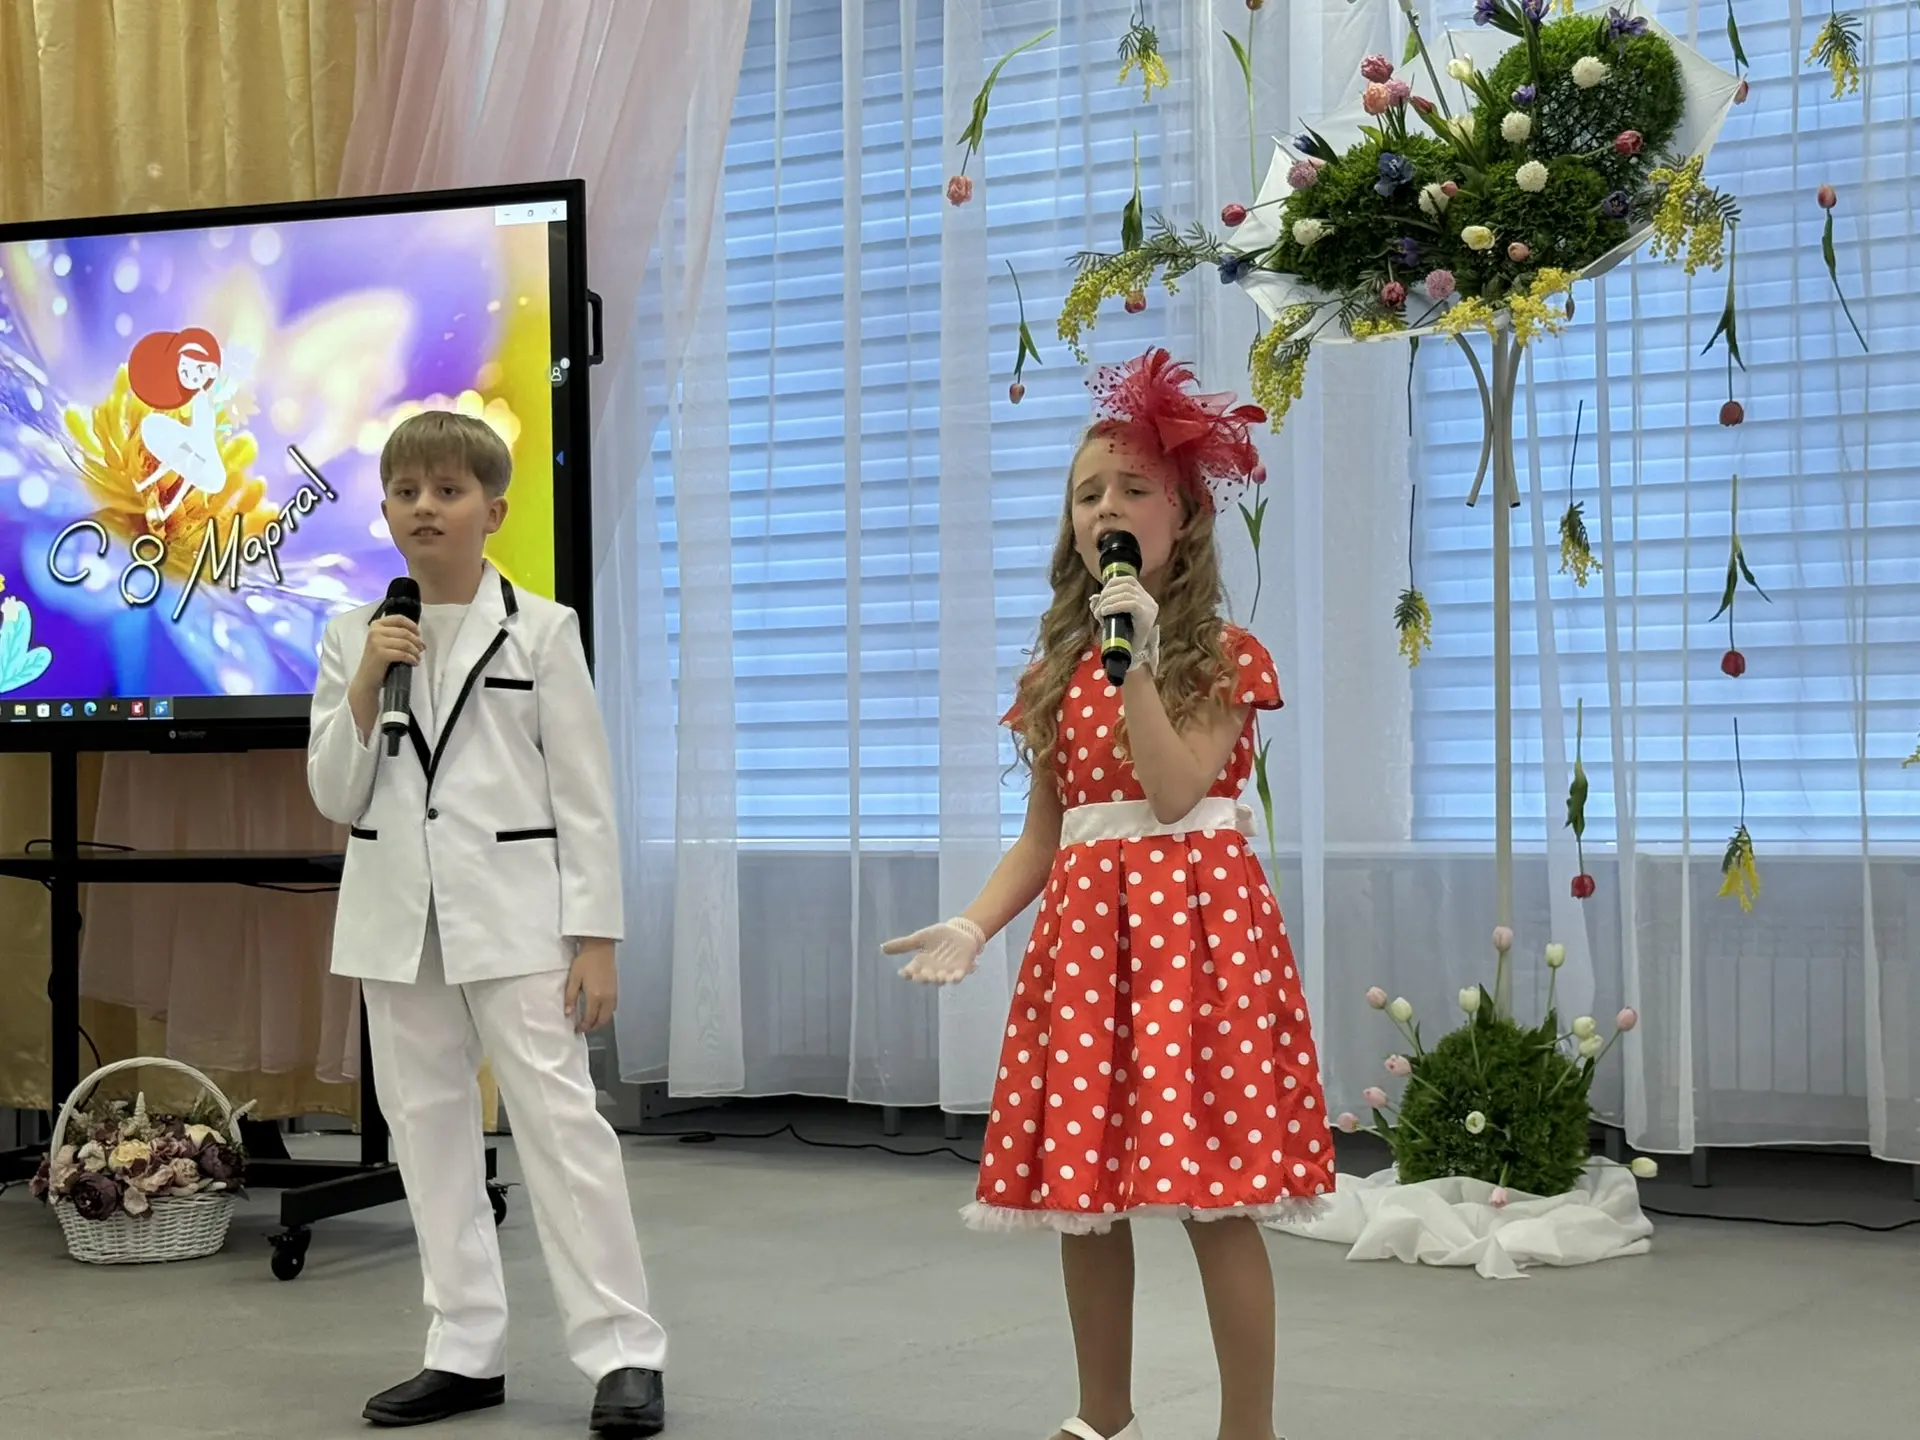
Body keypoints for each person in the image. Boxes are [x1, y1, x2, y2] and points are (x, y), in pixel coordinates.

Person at [882, 349, 1333, 1440]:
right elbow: (1048, 835)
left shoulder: (1224, 658)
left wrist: (1137, 669)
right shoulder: (1054, 676)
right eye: (1088, 495)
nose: (1107, 509)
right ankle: (1102, 1415)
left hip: (1198, 948)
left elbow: (1175, 794)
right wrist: (974, 922)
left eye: (1133, 488)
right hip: (1090, 945)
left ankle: (1249, 1429)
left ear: (1184, 517)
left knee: (1216, 1198)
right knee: (1083, 1200)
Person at [306, 410, 667, 1437]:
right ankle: (464, 1349)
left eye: (448, 491)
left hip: (517, 921)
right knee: (427, 1136)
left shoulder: (542, 630)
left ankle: (624, 1350)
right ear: (385, 512)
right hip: (396, 924)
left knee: (562, 1129)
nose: (425, 507)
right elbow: (334, 792)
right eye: (406, 492)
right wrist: (367, 683)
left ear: (493, 511)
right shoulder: (350, 636)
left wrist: (596, 940)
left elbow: (584, 797)